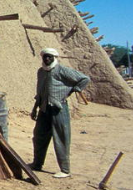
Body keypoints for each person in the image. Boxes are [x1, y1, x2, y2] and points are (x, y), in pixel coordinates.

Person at [29, 48, 89, 179]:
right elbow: (39, 92)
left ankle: (65, 170)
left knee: (61, 138)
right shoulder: (41, 72)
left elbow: (84, 79)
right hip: (44, 109)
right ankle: (37, 164)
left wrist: (74, 90)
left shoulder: (62, 70)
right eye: (44, 57)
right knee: (39, 136)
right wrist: (35, 108)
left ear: (54, 57)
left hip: (58, 109)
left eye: (49, 57)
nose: (46, 59)